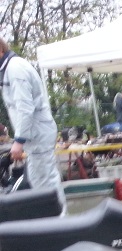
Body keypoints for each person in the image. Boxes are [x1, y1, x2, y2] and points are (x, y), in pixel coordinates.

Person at [0, 36, 65, 210]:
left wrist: (19, 140)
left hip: (38, 134)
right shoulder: (11, 68)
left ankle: (58, 219)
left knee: (44, 182)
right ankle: (56, 217)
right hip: (37, 133)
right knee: (42, 179)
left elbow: (25, 107)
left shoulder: (15, 70)